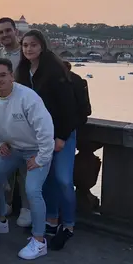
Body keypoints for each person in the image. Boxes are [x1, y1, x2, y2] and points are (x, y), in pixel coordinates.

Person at [0, 58, 55, 260]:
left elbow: (46, 130)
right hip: (12, 148)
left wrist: (41, 158)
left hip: (36, 149)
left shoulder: (28, 97)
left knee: (33, 190)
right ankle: (0, 220)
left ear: (11, 76)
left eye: (2, 75)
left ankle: (39, 241)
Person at [15, 30, 79, 251]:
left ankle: (68, 224)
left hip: (61, 133)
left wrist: (61, 136)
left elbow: (69, 108)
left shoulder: (54, 70)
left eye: (33, 45)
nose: (28, 49)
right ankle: (51, 220)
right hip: (39, 136)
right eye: (25, 45)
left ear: (42, 46)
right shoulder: (22, 72)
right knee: (48, 179)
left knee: (63, 179)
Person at [0, 17, 29, 227]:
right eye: (1, 32)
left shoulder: (26, 53)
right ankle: (5, 203)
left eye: (8, 31)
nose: (5, 35)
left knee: (25, 166)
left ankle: (26, 207)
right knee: (3, 162)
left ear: (16, 31)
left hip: (25, 116)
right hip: (4, 116)